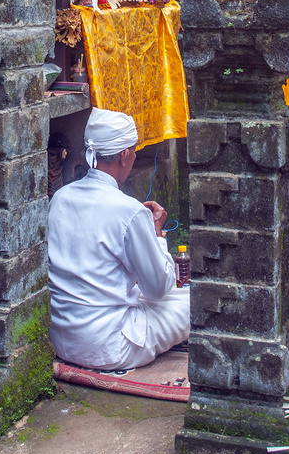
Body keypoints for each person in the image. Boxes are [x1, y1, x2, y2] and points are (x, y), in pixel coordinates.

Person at [47, 107, 190, 370]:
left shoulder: (61, 198)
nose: (134, 157)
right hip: (110, 346)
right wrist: (157, 234)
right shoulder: (129, 211)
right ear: (124, 155)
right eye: (134, 151)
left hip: (61, 339)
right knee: (193, 303)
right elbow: (158, 288)